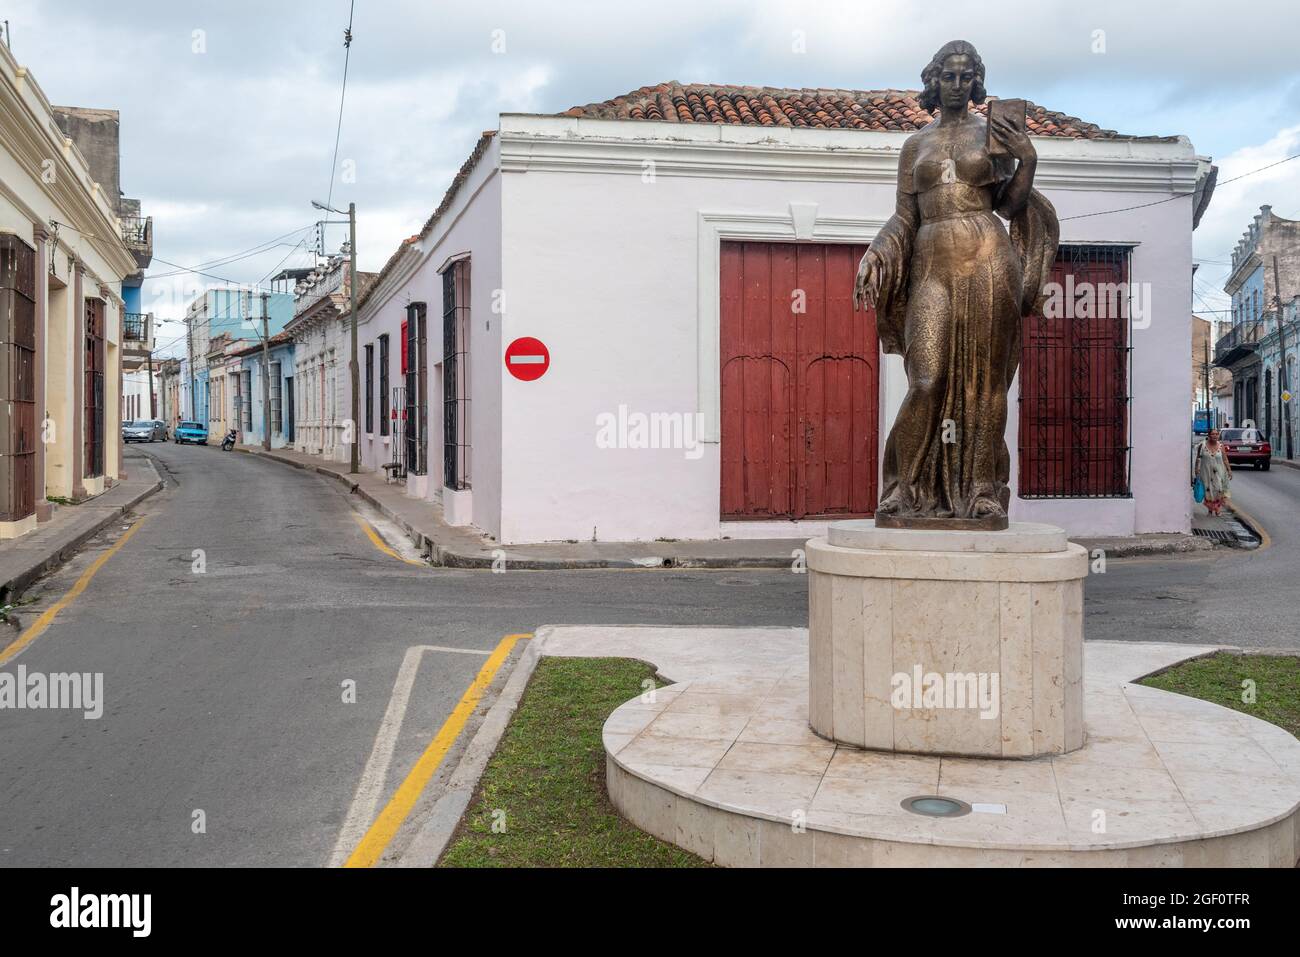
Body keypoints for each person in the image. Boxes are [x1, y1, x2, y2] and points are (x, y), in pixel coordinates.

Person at [852, 40, 1059, 523]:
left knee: (986, 384)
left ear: (976, 83)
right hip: (931, 261)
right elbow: (904, 217)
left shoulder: (993, 136)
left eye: (967, 77)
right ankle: (905, 488)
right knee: (925, 379)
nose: (957, 85)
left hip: (987, 257)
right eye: (949, 76)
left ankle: (982, 491)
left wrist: (1026, 160)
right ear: (934, 80)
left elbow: (1007, 207)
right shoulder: (915, 145)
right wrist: (876, 252)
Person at [1194, 428, 1232, 516]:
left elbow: (1225, 459)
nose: (1215, 436)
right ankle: (1210, 509)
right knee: (1208, 490)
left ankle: (1217, 508)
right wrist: (1196, 469)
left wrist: (1229, 470)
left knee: (1218, 489)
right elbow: (1198, 458)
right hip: (1206, 473)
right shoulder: (1202, 446)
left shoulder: (1221, 446)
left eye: (1216, 434)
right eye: (1213, 434)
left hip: (1219, 473)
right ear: (1209, 435)